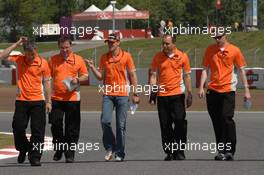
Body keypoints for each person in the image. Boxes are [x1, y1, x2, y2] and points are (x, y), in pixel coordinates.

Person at [198, 30, 251, 161]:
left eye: (219, 37)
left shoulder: (235, 50)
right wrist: (201, 87)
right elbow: (205, 69)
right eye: (215, 37)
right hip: (212, 90)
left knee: (226, 118)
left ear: (225, 36)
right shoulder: (210, 50)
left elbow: (242, 70)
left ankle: (230, 151)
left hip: (228, 89)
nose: (216, 39)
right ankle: (221, 150)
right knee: (216, 121)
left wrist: (246, 90)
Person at [86, 33, 140, 161]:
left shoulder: (127, 56)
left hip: (122, 94)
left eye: (112, 42)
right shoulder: (104, 57)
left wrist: (136, 93)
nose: (109, 44)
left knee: (121, 125)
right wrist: (92, 67)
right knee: (105, 121)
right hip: (108, 94)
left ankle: (120, 152)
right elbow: (101, 77)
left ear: (118, 42)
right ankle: (110, 147)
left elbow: (132, 76)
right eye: (108, 42)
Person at [0, 37, 52, 166]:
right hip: (21, 100)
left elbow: (46, 82)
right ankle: (24, 148)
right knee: (17, 127)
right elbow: (2, 55)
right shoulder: (19, 59)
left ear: (36, 50)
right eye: (27, 54)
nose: (30, 57)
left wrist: (49, 101)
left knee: (38, 131)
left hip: (38, 101)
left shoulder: (43, 63)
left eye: (32, 54)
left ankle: (35, 157)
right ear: (24, 52)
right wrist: (17, 43)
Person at [149, 34, 192, 161]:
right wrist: (153, 92)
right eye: (163, 43)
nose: (164, 46)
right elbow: (153, 75)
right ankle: (169, 151)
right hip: (162, 96)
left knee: (180, 122)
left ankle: (180, 150)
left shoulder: (182, 56)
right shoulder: (158, 57)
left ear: (174, 44)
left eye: (167, 44)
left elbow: (187, 76)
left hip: (177, 95)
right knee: (165, 125)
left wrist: (189, 93)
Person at [48, 36, 88, 163]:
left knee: (72, 127)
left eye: (67, 47)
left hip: (73, 98)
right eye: (62, 48)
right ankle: (59, 148)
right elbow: (47, 78)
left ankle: (70, 153)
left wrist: (78, 79)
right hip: (56, 98)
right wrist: (47, 98)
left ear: (71, 46)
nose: (65, 50)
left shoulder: (79, 59)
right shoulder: (53, 60)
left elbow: (85, 76)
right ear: (58, 47)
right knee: (55, 124)